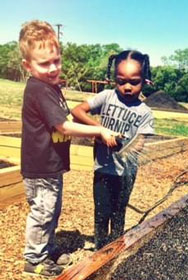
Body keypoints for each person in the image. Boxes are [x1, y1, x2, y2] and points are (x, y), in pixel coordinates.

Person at [19, 20, 119, 277]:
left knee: (51, 210)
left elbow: (64, 122)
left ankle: (48, 249)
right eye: (44, 63)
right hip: (41, 166)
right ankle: (34, 259)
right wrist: (98, 130)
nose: (53, 68)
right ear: (27, 66)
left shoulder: (51, 87)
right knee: (42, 212)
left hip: (51, 165)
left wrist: (91, 130)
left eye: (56, 60)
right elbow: (64, 126)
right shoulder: (39, 89)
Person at [71, 50, 155, 250]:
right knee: (101, 214)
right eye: (121, 81)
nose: (126, 87)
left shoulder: (145, 113)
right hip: (102, 169)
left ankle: (114, 251)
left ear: (145, 81)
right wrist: (100, 131)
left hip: (125, 174)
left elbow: (140, 144)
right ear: (113, 80)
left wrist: (120, 144)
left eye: (133, 82)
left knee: (118, 215)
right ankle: (99, 252)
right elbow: (76, 111)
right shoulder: (107, 97)